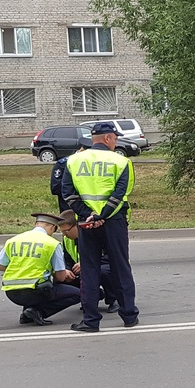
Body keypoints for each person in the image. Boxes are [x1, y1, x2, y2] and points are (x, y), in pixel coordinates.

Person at [61, 121, 138, 331]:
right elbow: (121, 194)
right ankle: (129, 315)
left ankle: (91, 320)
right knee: (120, 267)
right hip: (113, 221)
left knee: (89, 270)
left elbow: (68, 193)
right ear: (107, 138)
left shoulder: (73, 161)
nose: (116, 142)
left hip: (86, 223)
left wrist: (89, 215)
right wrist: (103, 215)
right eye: (115, 138)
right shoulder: (121, 162)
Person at [0, 212, 80, 326]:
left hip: (11, 292)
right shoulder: (52, 243)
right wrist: (56, 272)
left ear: (35, 224)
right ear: (53, 227)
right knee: (78, 294)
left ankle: (26, 315)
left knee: (32, 282)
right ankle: (38, 312)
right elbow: (61, 277)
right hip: (36, 291)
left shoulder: (13, 240)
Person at [56, 210, 120, 312]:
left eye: (66, 231)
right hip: (84, 270)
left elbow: (111, 257)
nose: (64, 234)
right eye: (61, 231)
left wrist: (86, 263)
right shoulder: (67, 240)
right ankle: (92, 297)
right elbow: (67, 260)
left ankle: (115, 299)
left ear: (76, 225)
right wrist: (67, 271)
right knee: (61, 278)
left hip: (108, 267)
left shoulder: (95, 234)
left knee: (103, 272)